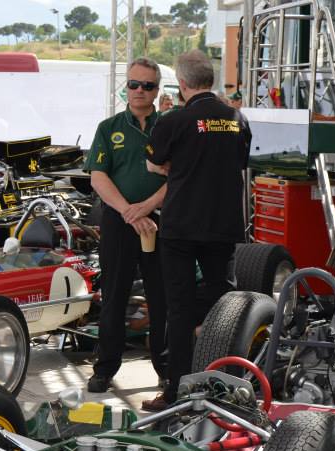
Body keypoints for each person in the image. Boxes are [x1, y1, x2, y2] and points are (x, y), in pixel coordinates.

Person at [143, 50, 252, 412]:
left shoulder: (174, 120)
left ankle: (175, 393)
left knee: (179, 306)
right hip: (222, 224)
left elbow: (154, 163)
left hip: (181, 225)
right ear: (211, 81)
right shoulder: (237, 118)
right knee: (223, 302)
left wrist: (178, 167)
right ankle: (223, 385)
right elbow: (237, 161)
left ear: (183, 83)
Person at [83, 57, 168, 396]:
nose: (138, 91)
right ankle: (105, 369)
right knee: (114, 296)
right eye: (133, 84)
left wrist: (147, 208)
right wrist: (129, 212)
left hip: (160, 223)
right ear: (125, 87)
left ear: (157, 90)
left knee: (162, 299)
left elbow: (179, 176)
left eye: (147, 86)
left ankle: (167, 370)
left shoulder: (169, 127)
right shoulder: (109, 128)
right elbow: (98, 176)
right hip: (119, 224)